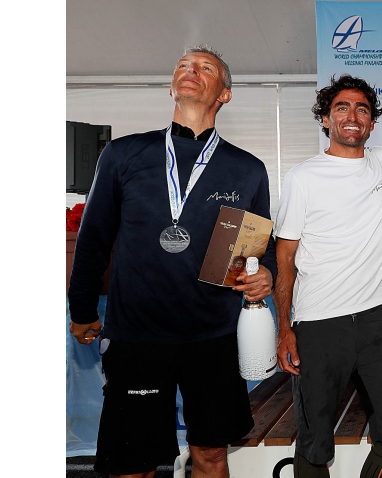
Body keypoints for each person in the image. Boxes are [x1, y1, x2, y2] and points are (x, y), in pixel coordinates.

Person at [67, 45, 277, 478]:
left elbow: (257, 249)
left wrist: (267, 274)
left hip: (214, 337)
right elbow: (93, 240)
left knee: (212, 456)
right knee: (132, 463)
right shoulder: (123, 155)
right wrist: (83, 310)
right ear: (171, 87)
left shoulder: (248, 169)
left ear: (225, 94)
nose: (190, 71)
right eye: (183, 66)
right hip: (137, 336)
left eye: (205, 68)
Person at [273, 74, 382, 478]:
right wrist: (284, 327)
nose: (352, 116)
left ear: (371, 123)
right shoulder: (303, 178)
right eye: (342, 108)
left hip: (375, 321)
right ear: (325, 119)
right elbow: (284, 258)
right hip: (318, 324)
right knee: (315, 444)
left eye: (362, 109)